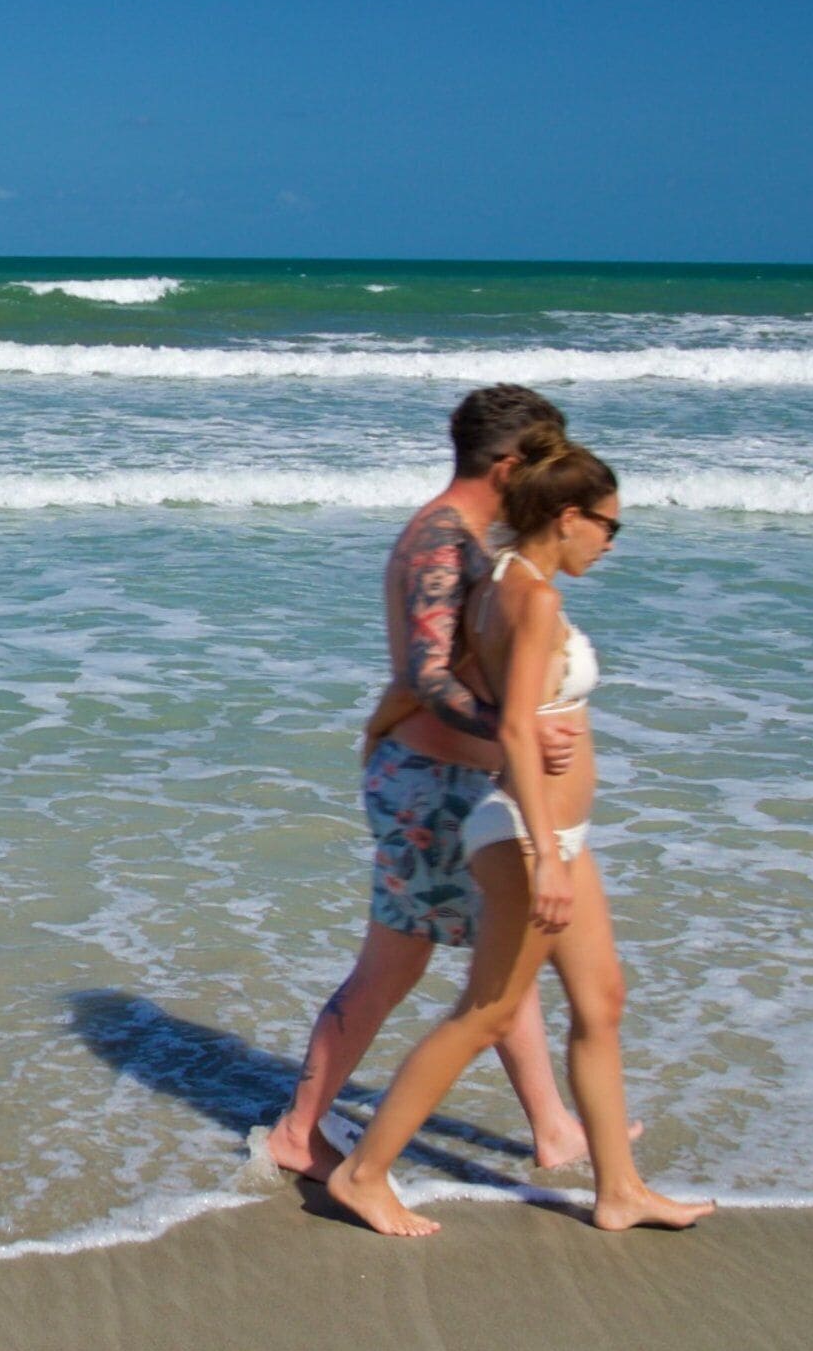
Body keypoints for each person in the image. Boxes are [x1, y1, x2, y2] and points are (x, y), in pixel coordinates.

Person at [321, 439, 713, 1237]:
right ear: (569, 518)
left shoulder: (502, 576)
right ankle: (364, 1175)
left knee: (601, 1001)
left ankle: (621, 1189)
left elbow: (449, 674)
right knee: (488, 1012)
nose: (610, 542)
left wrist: (383, 724)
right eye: (609, 526)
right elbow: (521, 734)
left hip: (563, 831)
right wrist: (546, 857)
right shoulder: (530, 598)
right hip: (531, 833)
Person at [256, 385, 596, 1181]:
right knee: (393, 969)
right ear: (508, 465)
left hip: (452, 781)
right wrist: (518, 727)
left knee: (503, 959)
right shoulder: (440, 542)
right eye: (541, 467)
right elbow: (427, 675)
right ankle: (299, 1131)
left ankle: (553, 1128)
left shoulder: (475, 536)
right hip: (428, 785)